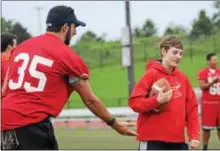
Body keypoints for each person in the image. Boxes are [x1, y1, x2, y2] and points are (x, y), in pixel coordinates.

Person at [1, 5, 136, 150]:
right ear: (65, 27)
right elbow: (90, 100)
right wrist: (114, 123)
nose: (75, 32)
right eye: (74, 27)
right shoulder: (67, 56)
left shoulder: (21, 48)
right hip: (32, 124)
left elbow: (4, 90)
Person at [128, 35, 200, 150]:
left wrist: (194, 135)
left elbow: (191, 109)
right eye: (175, 52)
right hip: (153, 140)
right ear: (163, 51)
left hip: (177, 141)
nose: (178, 57)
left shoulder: (183, 78)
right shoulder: (151, 74)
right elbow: (134, 103)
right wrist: (156, 101)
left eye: (181, 54)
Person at [197, 52, 220, 150]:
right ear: (208, 61)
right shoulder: (203, 72)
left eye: (216, 59)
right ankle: (205, 147)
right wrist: (212, 82)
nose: (216, 61)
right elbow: (202, 86)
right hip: (208, 104)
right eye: (214, 60)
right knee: (206, 128)